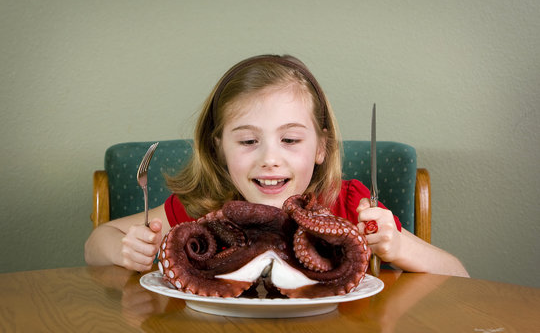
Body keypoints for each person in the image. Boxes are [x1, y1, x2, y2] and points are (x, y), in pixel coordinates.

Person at [85, 54, 469, 278]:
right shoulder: (200, 211)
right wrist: (125, 251)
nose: (270, 158)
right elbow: (97, 241)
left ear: (321, 146)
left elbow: (457, 274)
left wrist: (397, 245)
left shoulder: (351, 206)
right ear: (218, 147)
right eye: (249, 141)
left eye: (290, 140)